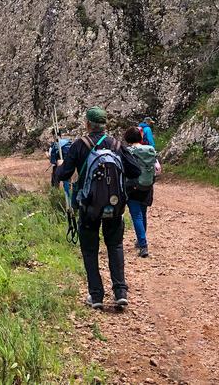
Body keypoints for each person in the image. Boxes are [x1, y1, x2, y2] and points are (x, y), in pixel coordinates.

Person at [56, 106, 140, 310]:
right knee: (115, 246)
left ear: (87, 124)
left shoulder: (79, 145)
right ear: (105, 125)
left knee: (90, 250)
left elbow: (63, 175)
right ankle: (120, 292)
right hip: (114, 205)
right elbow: (135, 170)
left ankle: (96, 296)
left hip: (88, 207)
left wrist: (60, 165)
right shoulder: (117, 145)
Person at [123, 127, 161, 258]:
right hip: (147, 186)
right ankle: (140, 241)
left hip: (132, 186)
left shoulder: (128, 152)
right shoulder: (150, 150)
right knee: (143, 214)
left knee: (136, 215)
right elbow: (157, 169)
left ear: (127, 139)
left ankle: (143, 245)